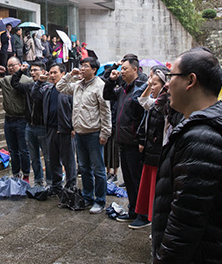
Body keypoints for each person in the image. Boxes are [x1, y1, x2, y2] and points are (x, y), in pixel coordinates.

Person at [151, 48, 222, 264]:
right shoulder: (204, 126)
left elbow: (184, 224)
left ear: (191, 80)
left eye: (171, 77)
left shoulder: (201, 139)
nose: (166, 85)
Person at [55, 57, 110, 214]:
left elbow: (105, 111)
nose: (82, 68)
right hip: (79, 133)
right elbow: (60, 86)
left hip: (94, 133)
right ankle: (87, 197)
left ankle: (100, 200)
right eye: (82, 66)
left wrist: (105, 133)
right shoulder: (78, 85)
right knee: (84, 168)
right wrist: (70, 75)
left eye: (86, 66)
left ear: (94, 69)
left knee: (98, 169)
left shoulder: (100, 86)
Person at [104, 57, 148, 228]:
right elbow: (107, 95)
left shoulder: (140, 89)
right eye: (121, 68)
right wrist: (111, 80)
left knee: (137, 180)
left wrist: (141, 139)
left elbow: (143, 117)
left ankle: (143, 215)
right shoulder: (123, 89)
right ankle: (133, 210)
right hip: (122, 141)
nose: (122, 71)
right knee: (128, 180)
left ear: (135, 69)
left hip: (134, 142)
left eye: (125, 69)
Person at [134, 66, 172, 229]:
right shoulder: (157, 103)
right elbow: (142, 100)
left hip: (160, 154)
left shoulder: (168, 105)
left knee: (159, 193)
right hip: (152, 153)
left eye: (155, 83)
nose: (151, 86)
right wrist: (149, 85)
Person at [32, 63, 76, 195]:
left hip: (66, 130)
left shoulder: (69, 90)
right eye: (50, 73)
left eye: (55, 72)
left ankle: (71, 186)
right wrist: (39, 82)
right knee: (53, 160)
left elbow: (75, 109)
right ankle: (56, 186)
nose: (52, 75)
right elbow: (34, 95)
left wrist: (73, 127)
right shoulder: (48, 89)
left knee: (68, 160)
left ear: (63, 74)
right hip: (50, 129)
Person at [0, 56, 32, 181]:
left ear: (20, 65)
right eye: (9, 66)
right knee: (13, 150)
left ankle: (26, 174)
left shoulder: (27, 80)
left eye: (13, 65)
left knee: (24, 149)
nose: (11, 68)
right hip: (9, 119)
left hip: (22, 119)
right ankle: (15, 174)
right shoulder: (5, 80)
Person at [11, 61, 50, 186]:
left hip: (43, 127)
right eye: (31, 70)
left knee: (48, 157)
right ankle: (38, 181)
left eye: (35, 70)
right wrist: (20, 71)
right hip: (29, 126)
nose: (32, 73)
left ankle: (50, 182)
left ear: (43, 71)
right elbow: (14, 83)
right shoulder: (29, 86)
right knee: (34, 157)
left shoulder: (48, 87)